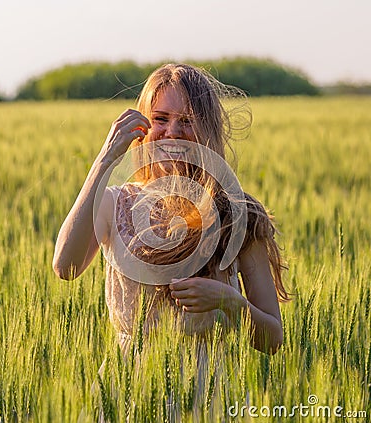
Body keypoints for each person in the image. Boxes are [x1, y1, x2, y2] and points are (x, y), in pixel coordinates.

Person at [52, 63, 289, 360]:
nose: (172, 132)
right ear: (142, 127)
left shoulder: (239, 213)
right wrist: (105, 158)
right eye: (160, 119)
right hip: (126, 389)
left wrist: (230, 302)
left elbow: (273, 340)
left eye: (187, 121)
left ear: (208, 129)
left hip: (208, 395)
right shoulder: (116, 204)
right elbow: (65, 267)